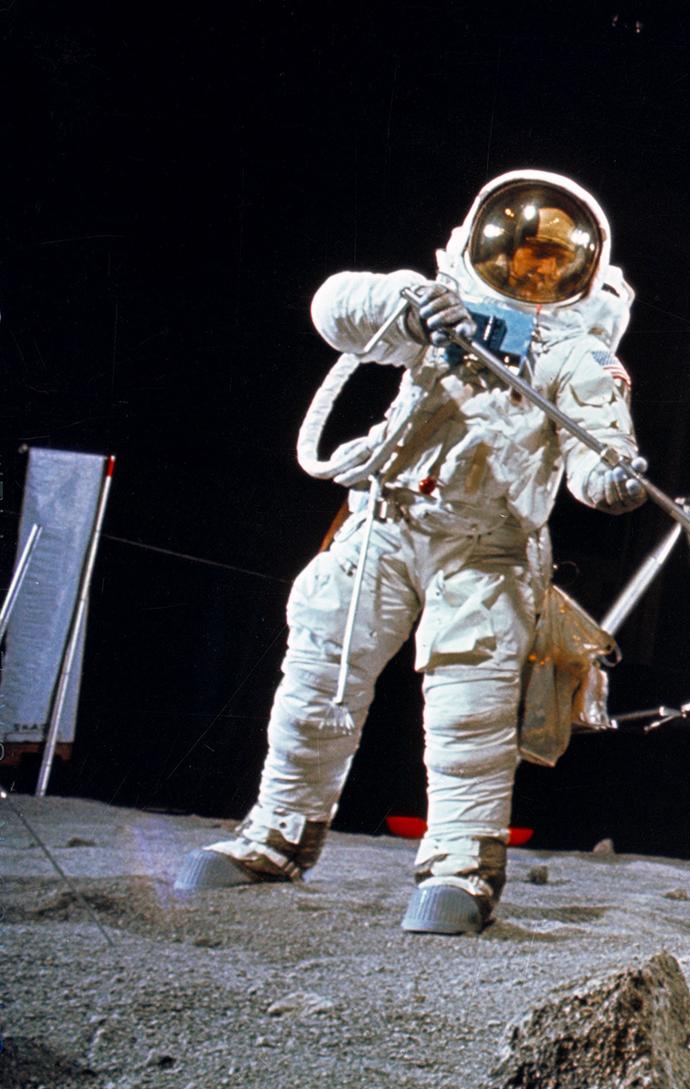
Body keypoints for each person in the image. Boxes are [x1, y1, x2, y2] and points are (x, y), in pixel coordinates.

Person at [174, 170, 649, 935]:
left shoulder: (577, 354)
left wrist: (612, 480)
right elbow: (334, 307)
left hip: (487, 547)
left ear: (581, 273)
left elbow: (601, 445)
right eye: (524, 251)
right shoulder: (436, 308)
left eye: (553, 261)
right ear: (487, 242)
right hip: (389, 520)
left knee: (470, 701)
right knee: (321, 670)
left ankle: (462, 867)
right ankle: (278, 833)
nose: (533, 269)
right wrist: (404, 303)